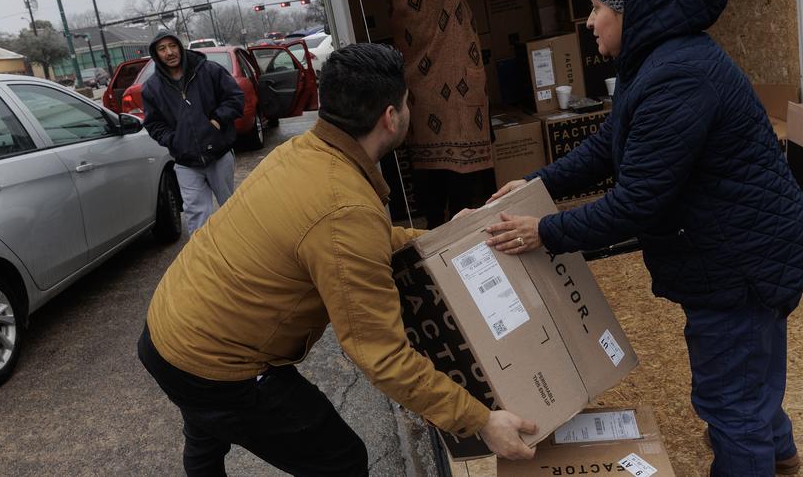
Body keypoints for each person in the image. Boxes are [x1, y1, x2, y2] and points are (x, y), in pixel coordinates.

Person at [483, 0, 803, 477]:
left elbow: (635, 203)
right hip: (738, 250)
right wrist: (536, 182)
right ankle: (780, 455)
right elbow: (606, 147)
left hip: (740, 264)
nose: (589, 22)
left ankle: (757, 457)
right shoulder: (656, 62)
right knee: (747, 376)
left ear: (638, 10)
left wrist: (543, 231)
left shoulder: (678, 77)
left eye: (598, 7)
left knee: (730, 401)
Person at [138, 44, 537, 476]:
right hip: (215, 364)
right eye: (407, 102)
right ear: (390, 116)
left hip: (171, 329)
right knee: (339, 460)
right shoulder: (344, 207)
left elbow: (356, 240)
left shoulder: (303, 152)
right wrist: (480, 420)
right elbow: (381, 355)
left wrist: (446, 237)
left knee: (205, 427)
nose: (409, 110)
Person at [388, 0, 494, 228]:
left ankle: (437, 242)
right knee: (460, 195)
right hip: (453, 103)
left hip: (422, 102)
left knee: (432, 191)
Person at [141, 30, 244, 235]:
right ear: (156, 54)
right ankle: (203, 261)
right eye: (162, 49)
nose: (169, 52)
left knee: (232, 208)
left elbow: (235, 99)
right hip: (186, 162)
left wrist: (216, 121)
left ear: (180, 47)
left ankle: (240, 253)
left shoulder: (209, 71)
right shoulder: (151, 88)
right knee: (196, 214)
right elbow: (153, 124)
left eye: (172, 46)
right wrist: (174, 140)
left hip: (219, 155)